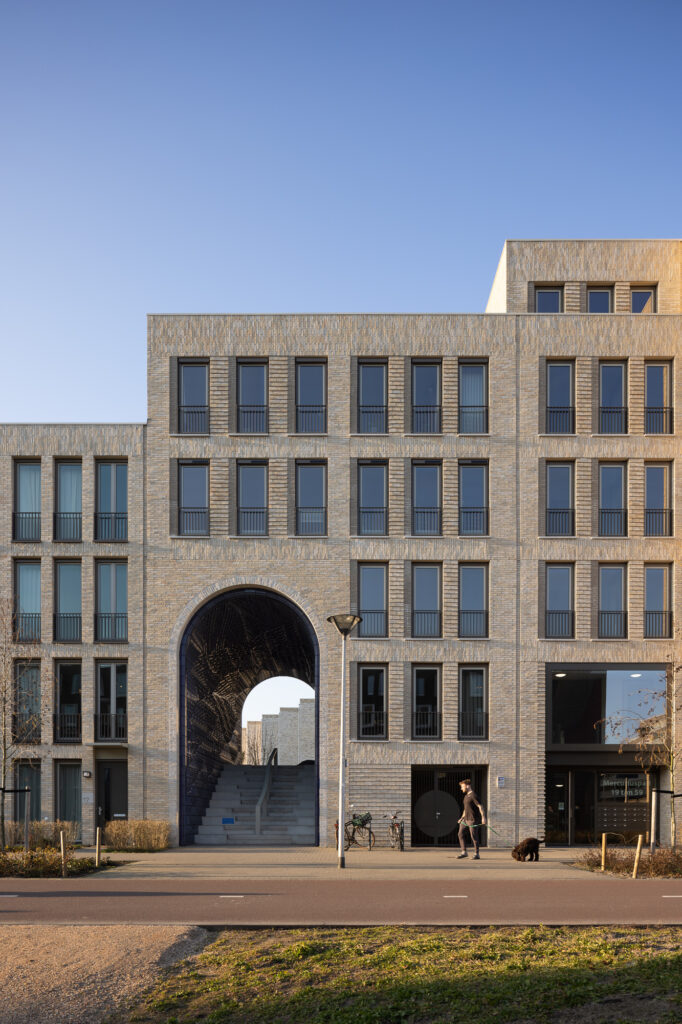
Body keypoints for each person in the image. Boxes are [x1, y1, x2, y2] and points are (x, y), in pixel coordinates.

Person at [457, 778, 486, 859]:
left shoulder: (473, 795)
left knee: (474, 836)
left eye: (462, 786)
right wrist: (461, 818)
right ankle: (464, 852)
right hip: (465, 819)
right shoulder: (466, 796)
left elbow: (480, 807)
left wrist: (483, 818)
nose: (461, 788)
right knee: (460, 834)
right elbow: (465, 809)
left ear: (467, 786)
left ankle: (476, 854)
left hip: (473, 819)